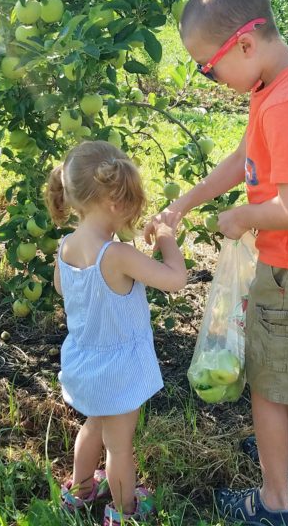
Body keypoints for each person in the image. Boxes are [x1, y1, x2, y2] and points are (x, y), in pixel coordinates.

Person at [144, 0, 288, 526]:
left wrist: (238, 217)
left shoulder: (284, 107)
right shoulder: (284, 79)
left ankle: (272, 501)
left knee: (266, 384)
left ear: (243, 43)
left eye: (208, 69)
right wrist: (187, 202)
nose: (208, 79)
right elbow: (246, 157)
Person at [46, 140, 187, 525]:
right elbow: (175, 280)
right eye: (131, 200)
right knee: (119, 446)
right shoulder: (118, 254)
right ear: (114, 202)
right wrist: (166, 240)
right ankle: (125, 511)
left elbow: (63, 288)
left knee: (93, 425)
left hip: (83, 362)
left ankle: (80, 491)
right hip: (118, 368)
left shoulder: (66, 246)